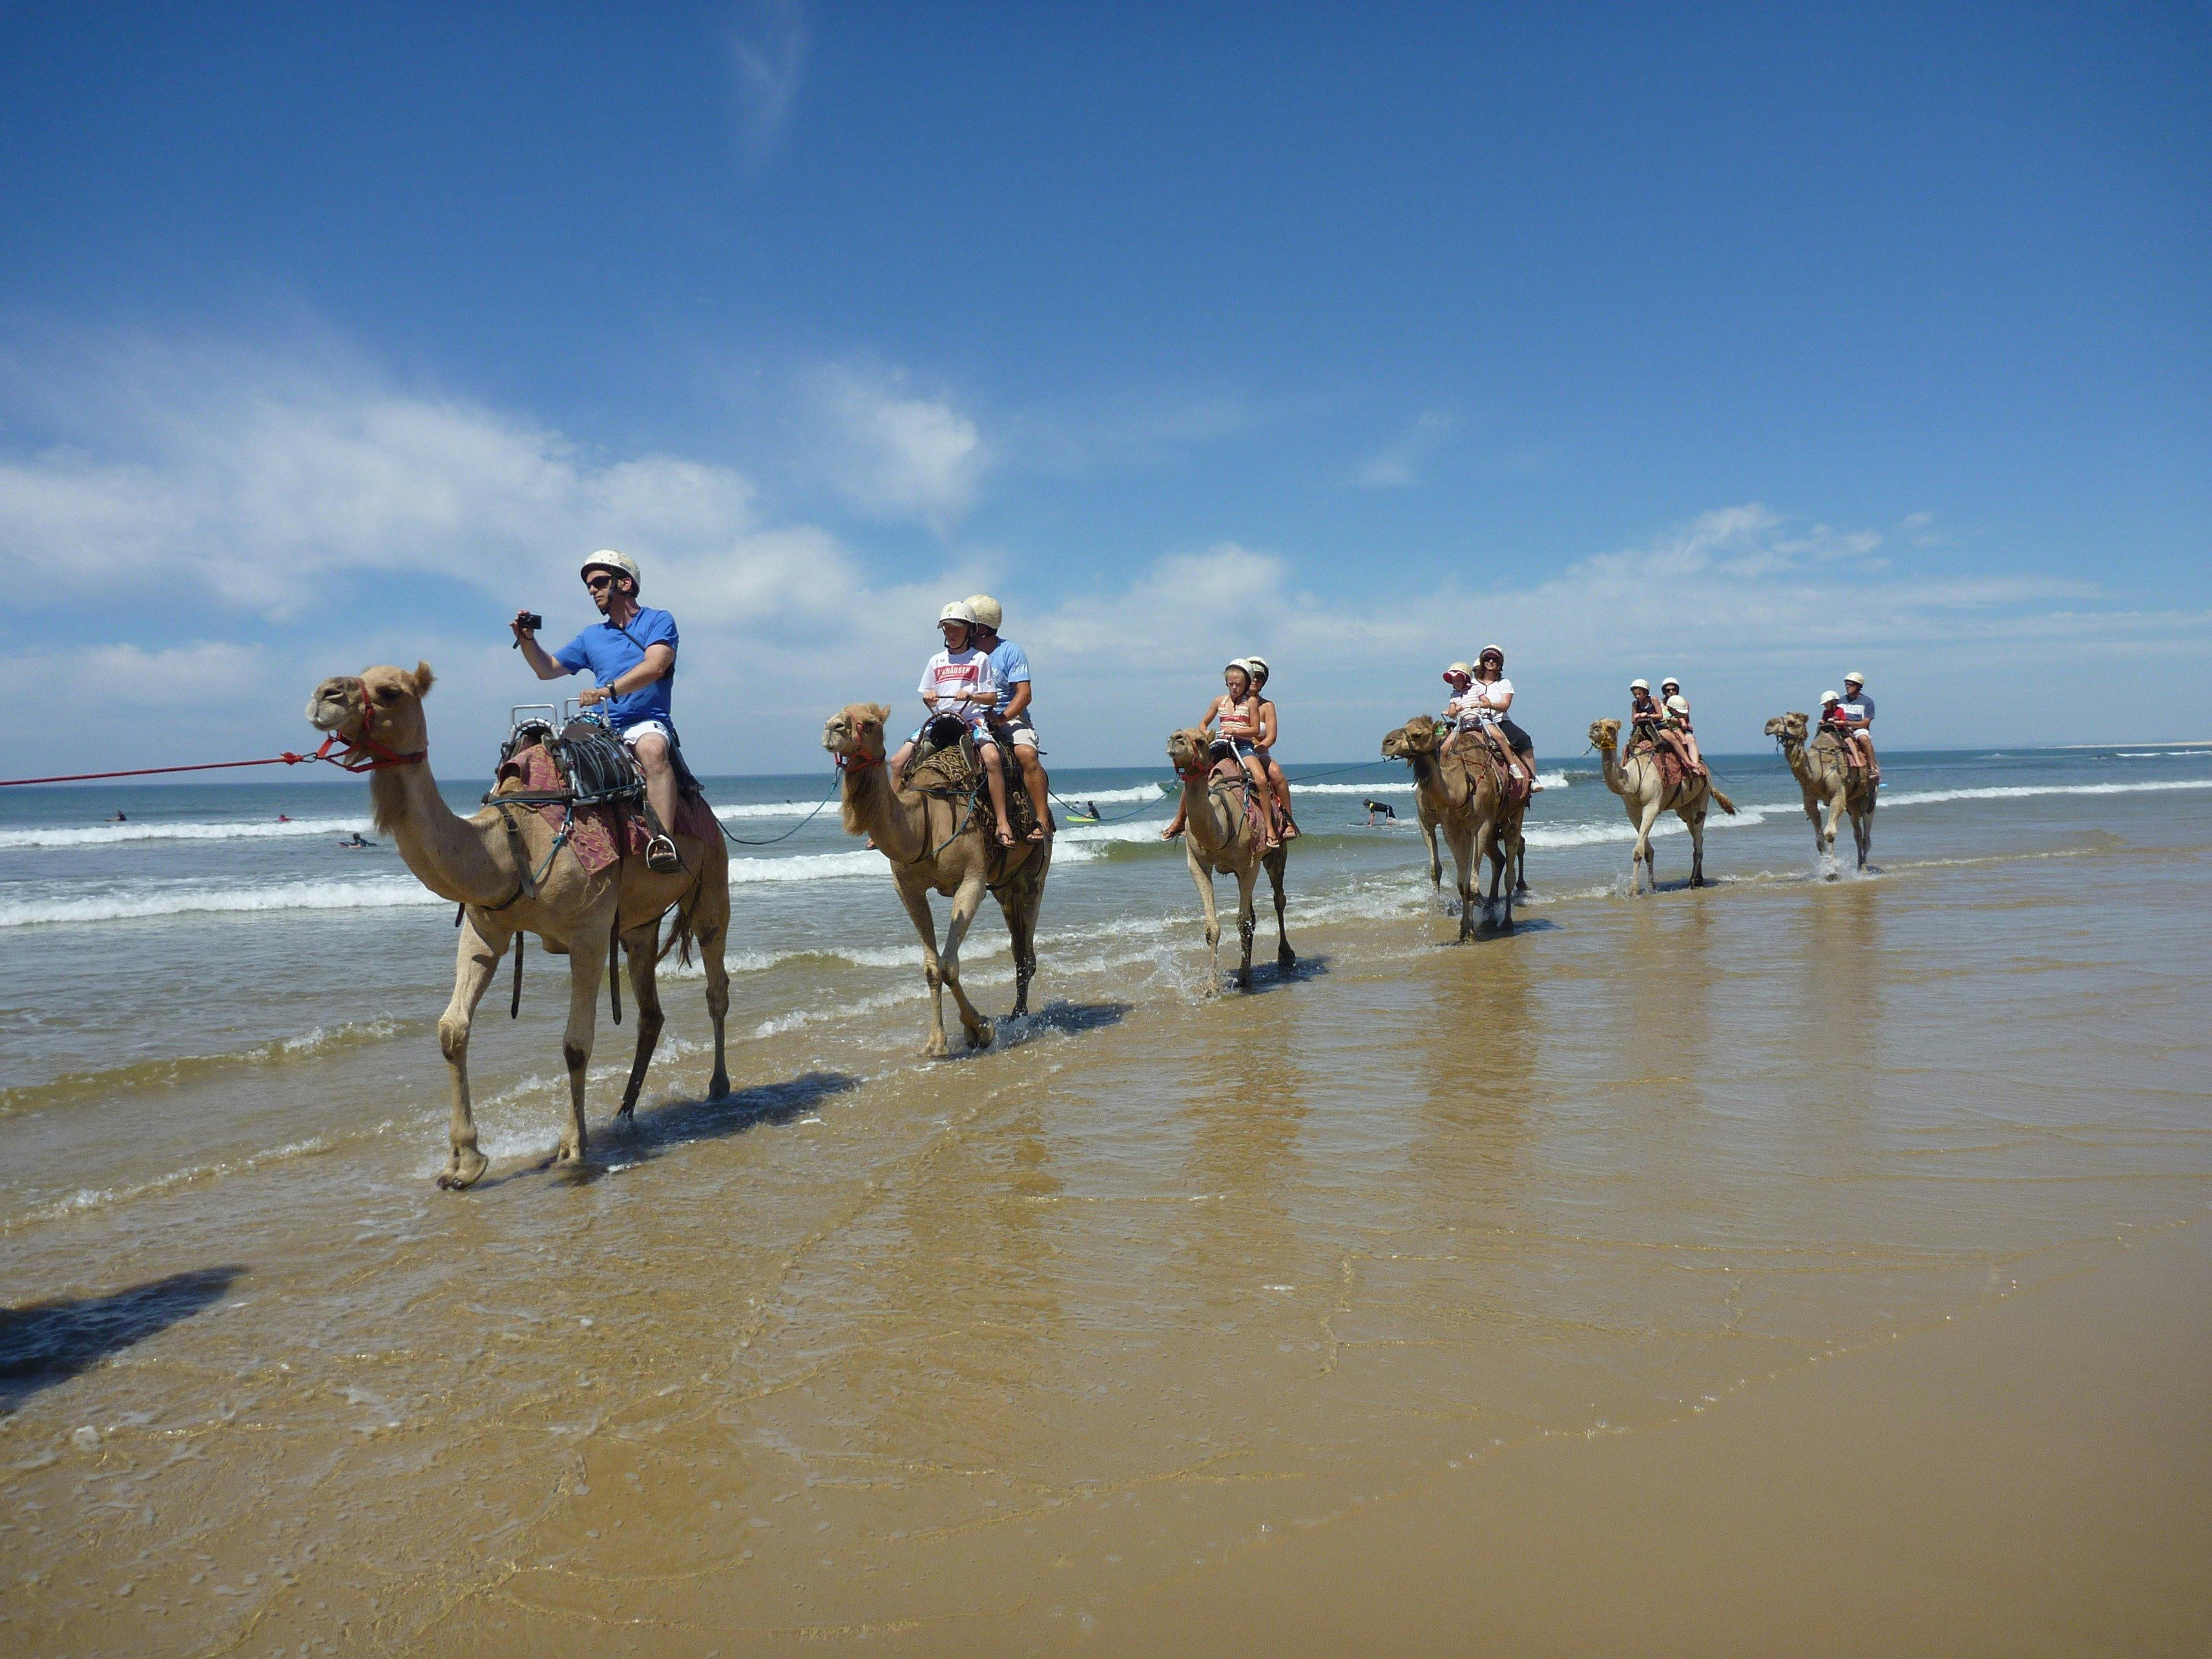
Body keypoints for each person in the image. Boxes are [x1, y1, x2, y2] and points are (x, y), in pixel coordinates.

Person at [513, 549, 686, 873]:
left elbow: (657, 666)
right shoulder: (591, 636)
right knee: (545, 753)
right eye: (589, 585)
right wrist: (527, 642)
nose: (592, 590)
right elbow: (547, 669)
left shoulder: (658, 620)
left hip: (645, 722)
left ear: (624, 582)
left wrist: (606, 691)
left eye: (599, 582)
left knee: (653, 750)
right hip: (602, 725)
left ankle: (663, 840)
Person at [894, 601, 1018, 849]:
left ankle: (1003, 822)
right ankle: (892, 824)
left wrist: (971, 696)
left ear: (970, 630)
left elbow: (991, 698)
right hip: (940, 721)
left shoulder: (980, 659)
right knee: (897, 763)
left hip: (971, 721)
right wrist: (928, 697)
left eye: (957, 628)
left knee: (992, 760)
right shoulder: (936, 661)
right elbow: (927, 692)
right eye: (947, 628)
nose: (951, 633)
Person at [964, 593, 1050, 842]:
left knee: (1026, 754)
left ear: (981, 627)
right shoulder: (964, 653)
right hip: (972, 718)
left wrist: (1001, 719)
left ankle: (1042, 819)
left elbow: (1024, 695)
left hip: (1008, 717)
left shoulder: (1011, 652)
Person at [1161, 660, 1273, 848]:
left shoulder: (1252, 702)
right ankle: (1179, 821)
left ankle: (1269, 829)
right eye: (1231, 684)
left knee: (1261, 780)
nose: (1235, 688)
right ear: (1227, 683)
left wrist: (1236, 731)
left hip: (1243, 746)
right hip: (1221, 744)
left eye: (1239, 684)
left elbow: (1255, 730)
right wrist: (1205, 733)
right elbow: (1203, 723)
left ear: (1246, 684)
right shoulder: (1218, 701)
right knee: (1192, 776)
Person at [1463, 645, 1538, 791]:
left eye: (1494, 659)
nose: (1490, 662)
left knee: (1523, 739)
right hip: (1473, 721)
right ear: (1482, 661)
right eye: (1487, 659)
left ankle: (1533, 778)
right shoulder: (1472, 684)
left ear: (1500, 663)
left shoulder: (1505, 684)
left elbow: (1505, 705)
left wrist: (1488, 705)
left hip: (1499, 721)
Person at [1243, 656, 1299, 838]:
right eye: (1253, 676)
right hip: (1237, 751)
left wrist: (1259, 748)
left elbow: (1271, 737)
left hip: (1259, 751)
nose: (1256, 680)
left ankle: (1289, 822)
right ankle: (1185, 822)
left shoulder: (1267, 706)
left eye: (1260, 677)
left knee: (1276, 774)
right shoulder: (1234, 702)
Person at [1629, 678, 1697, 777]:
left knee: (1679, 739)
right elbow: (1633, 721)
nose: (1638, 696)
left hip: (1664, 726)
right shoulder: (1637, 704)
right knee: (1627, 747)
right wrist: (1637, 717)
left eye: (1673, 689)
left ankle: (1690, 763)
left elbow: (1665, 717)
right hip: (1645, 727)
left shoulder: (1657, 700)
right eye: (1668, 690)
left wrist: (1648, 716)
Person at [1658, 677, 1707, 775]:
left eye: (1673, 689)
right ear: (1664, 691)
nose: (1671, 692)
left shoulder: (1683, 703)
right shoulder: (1661, 705)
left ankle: (1694, 766)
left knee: (1690, 740)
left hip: (1681, 729)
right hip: (1665, 728)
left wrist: (1670, 720)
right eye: (1668, 690)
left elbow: (1683, 719)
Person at [1838, 671, 1879, 782]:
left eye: (1850, 685)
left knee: (1864, 739)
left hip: (1858, 730)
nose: (1847, 687)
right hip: (1841, 729)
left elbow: (1865, 723)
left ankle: (1872, 769)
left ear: (1858, 686)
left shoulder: (1867, 702)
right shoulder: (1840, 701)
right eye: (1846, 684)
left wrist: (1847, 723)